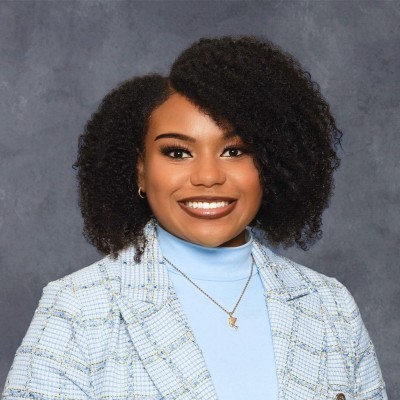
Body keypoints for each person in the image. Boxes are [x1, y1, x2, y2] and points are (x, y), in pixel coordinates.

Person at [2, 36, 387, 400]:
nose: (207, 176)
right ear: (140, 171)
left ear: (273, 163)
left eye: (234, 151)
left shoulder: (330, 306)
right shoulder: (78, 308)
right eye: (177, 152)